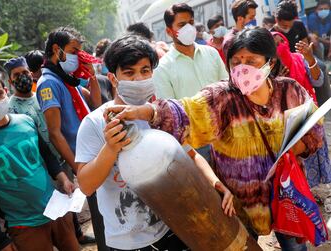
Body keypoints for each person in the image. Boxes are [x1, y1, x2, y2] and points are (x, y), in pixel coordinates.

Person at [106, 28, 324, 251]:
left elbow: (315, 132)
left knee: (295, 247)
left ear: (270, 61)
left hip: (287, 196)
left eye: (251, 60)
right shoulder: (222, 97)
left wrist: (295, 148)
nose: (242, 67)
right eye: (236, 61)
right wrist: (146, 111)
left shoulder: (290, 90)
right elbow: (186, 112)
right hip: (240, 204)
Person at [75, 34, 235, 251]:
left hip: (175, 228)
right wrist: (110, 148)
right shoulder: (95, 123)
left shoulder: (159, 115)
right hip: (127, 242)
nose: (139, 79)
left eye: (145, 71)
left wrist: (216, 184)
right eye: (129, 73)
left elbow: (191, 155)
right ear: (113, 78)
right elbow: (86, 185)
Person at [0, 65, 79, 251]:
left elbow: (46, 154)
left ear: (5, 90)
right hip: (24, 226)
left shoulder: (26, 121)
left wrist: (61, 177)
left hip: (57, 211)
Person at [37, 26, 102, 247]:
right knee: (101, 215)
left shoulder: (66, 79)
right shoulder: (49, 83)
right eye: (74, 51)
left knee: (105, 207)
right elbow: (55, 133)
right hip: (83, 159)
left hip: (94, 153)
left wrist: (91, 75)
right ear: (58, 50)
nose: (77, 56)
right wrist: (79, 169)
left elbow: (95, 102)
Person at [273, 32, 331, 187]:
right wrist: (277, 78)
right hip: (286, 121)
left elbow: (318, 81)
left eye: (282, 41)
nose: (280, 45)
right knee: (294, 158)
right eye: (275, 43)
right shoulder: (270, 66)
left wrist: (310, 58)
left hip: (309, 115)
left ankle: (310, 193)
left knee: (311, 149)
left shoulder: (299, 58)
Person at [153, 3, 228, 99]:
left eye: (191, 22)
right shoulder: (162, 69)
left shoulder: (211, 53)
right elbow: (170, 110)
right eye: (182, 25)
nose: (189, 28)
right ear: (169, 31)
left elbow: (226, 87)